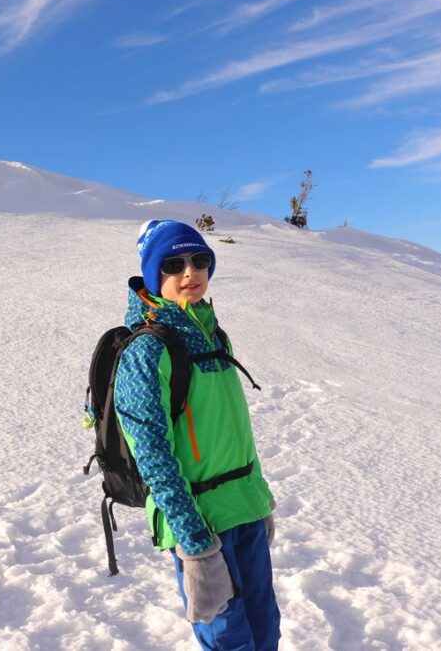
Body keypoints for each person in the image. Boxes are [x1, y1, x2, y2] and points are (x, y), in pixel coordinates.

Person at [113, 219, 280, 650]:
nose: (191, 272)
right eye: (173, 264)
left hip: (244, 508)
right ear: (154, 274)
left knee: (265, 631)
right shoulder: (146, 351)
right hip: (201, 522)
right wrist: (195, 541)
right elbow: (152, 454)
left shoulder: (215, 335)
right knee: (230, 640)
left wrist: (261, 501)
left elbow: (235, 427)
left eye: (200, 259)